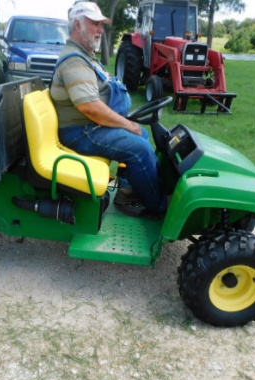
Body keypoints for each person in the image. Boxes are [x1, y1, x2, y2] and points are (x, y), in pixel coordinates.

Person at [50, 1, 167, 219]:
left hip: (88, 125)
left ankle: (128, 191)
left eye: (101, 24)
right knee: (139, 149)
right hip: (81, 131)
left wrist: (130, 124)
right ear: (77, 24)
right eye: (95, 23)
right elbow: (90, 108)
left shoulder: (85, 56)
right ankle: (159, 207)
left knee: (142, 134)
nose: (101, 30)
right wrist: (127, 123)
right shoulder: (74, 61)